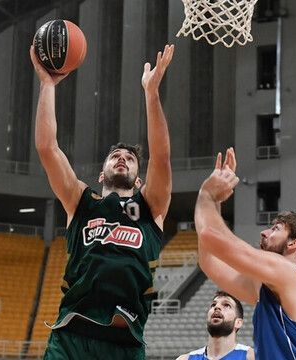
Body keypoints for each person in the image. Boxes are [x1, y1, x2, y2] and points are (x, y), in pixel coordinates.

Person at [30, 43, 175, 360]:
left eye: (130, 159)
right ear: (101, 174)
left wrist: (151, 94)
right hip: (70, 338)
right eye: (115, 156)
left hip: (125, 343)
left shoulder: (150, 207)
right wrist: (47, 85)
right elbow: (47, 148)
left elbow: (162, 158)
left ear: (139, 179)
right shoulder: (81, 202)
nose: (122, 159)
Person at [194, 148, 296, 360]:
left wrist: (207, 194)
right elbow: (209, 261)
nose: (264, 232)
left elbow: (211, 235)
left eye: (276, 229)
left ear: (294, 244)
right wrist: (215, 200)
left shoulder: (288, 273)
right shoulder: (276, 289)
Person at [176, 290, 255, 360]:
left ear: (238, 323)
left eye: (227, 305)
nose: (217, 307)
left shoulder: (252, 357)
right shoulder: (185, 358)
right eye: (213, 305)